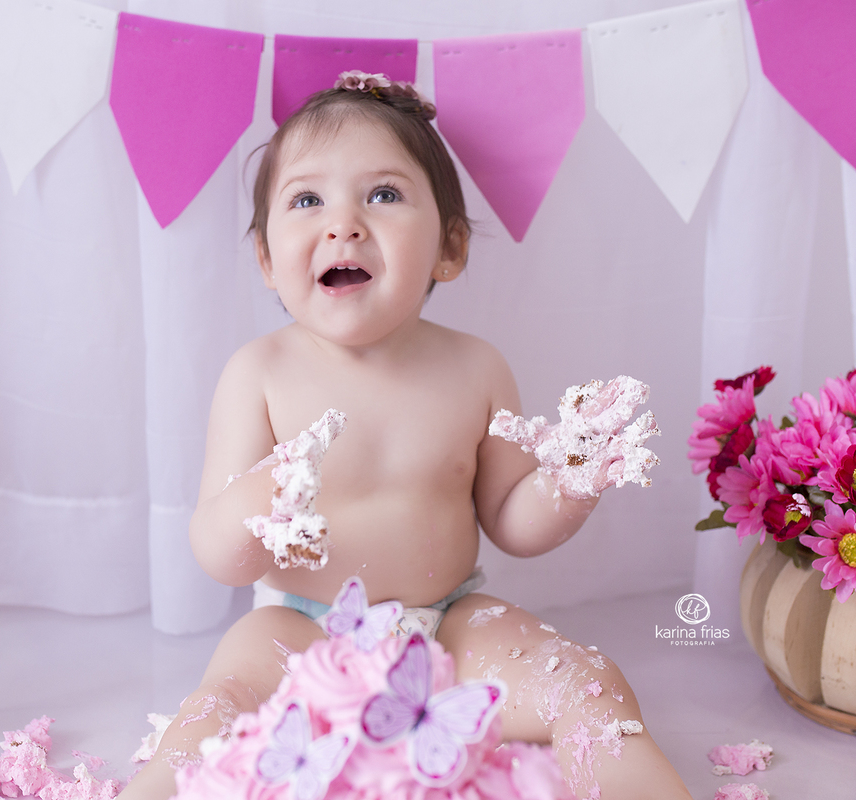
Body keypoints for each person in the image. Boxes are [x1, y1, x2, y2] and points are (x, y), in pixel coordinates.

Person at [120, 72, 691, 800]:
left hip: (450, 618)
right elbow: (215, 552)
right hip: (299, 629)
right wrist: (266, 498)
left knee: (587, 684)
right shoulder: (259, 373)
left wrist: (567, 482)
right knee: (214, 714)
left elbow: (511, 520)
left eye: (383, 195)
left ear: (448, 250)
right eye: (306, 200)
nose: (344, 223)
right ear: (267, 259)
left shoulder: (475, 367)